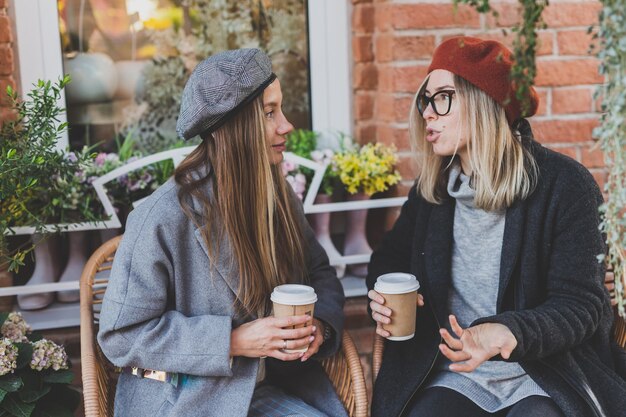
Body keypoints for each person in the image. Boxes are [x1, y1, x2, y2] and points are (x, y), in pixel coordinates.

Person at [366, 36, 626, 417]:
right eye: (426, 98)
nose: (427, 112)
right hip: (453, 374)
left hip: (545, 373)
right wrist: (384, 295)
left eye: (442, 97)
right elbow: (388, 259)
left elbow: (582, 306)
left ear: (482, 102)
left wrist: (507, 331)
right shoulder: (433, 192)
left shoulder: (566, 186)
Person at [98, 48, 347, 417]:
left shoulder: (277, 196)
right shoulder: (161, 216)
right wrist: (232, 342)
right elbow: (121, 336)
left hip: (271, 389)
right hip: (188, 401)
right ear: (235, 129)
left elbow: (320, 275)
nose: (286, 125)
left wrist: (320, 327)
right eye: (269, 113)